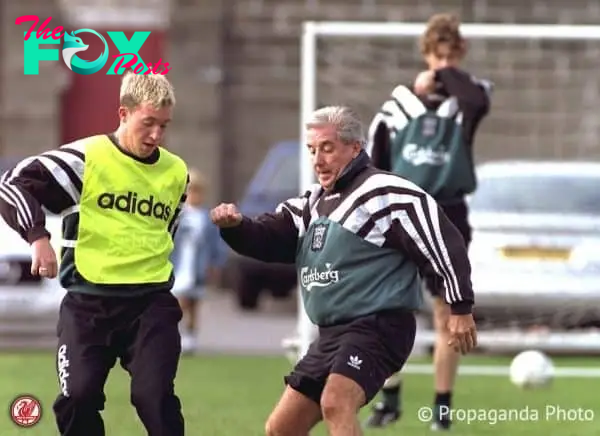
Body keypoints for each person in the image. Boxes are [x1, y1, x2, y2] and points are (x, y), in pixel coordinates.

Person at [211, 105, 478, 436]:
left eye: (327, 148)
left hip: (379, 326)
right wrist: (236, 227)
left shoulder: (384, 193)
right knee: (282, 427)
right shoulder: (311, 202)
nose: (318, 160)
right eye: (312, 150)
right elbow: (271, 236)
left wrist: (460, 305)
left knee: (336, 402)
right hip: (332, 334)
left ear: (355, 148)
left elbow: (441, 240)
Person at [0, 72, 188, 436]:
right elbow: (12, 185)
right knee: (78, 398)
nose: (156, 136)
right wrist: (38, 237)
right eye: (148, 123)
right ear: (123, 113)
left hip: (150, 303)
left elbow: (167, 232)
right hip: (88, 304)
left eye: (164, 126)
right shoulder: (85, 158)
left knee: (155, 398)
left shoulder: (176, 172)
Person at [364, 13, 492, 431]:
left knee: (447, 313)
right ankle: (391, 396)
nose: (444, 63)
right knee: (384, 308)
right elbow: (376, 162)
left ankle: (441, 407)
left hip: (449, 213)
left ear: (461, 55)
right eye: (438, 55)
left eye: (452, 55)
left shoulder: (467, 98)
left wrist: (445, 74)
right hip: (400, 214)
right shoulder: (397, 106)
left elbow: (475, 102)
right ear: (425, 53)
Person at [171, 168, 227, 353]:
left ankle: (191, 336)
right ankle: (175, 334)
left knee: (194, 303)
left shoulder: (206, 217)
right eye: (191, 190)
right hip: (180, 264)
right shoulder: (179, 215)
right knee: (180, 301)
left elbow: (215, 243)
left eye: (198, 191)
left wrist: (216, 264)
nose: (194, 195)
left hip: (198, 265)